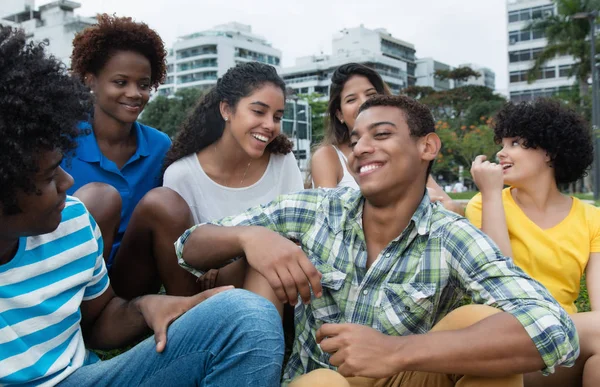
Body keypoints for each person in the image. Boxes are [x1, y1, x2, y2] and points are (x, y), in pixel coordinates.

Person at [175, 94, 579, 386]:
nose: (361, 148)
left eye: (380, 134)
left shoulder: (451, 235)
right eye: (354, 140)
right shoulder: (316, 209)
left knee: (483, 325)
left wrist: (395, 352)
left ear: (427, 147)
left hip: (403, 375)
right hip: (317, 382)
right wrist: (250, 237)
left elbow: (554, 327)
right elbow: (189, 245)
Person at [0, 26, 284, 386]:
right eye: (48, 177)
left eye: (144, 84)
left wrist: (145, 306)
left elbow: (102, 320)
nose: (67, 183)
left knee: (248, 313)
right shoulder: (75, 175)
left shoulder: (72, 219)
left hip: (92, 333)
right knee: (99, 197)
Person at [109, 61, 304, 299]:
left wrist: (239, 257)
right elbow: (185, 263)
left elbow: (298, 236)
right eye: (258, 111)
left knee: (264, 259)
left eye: (277, 116)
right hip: (211, 297)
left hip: (280, 287)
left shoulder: (283, 161)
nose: (270, 125)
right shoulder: (182, 175)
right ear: (226, 110)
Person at [466, 99, 600, 387]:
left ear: (550, 152)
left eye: (515, 143)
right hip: (507, 343)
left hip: (566, 347)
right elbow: (500, 287)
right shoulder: (485, 204)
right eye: (501, 143)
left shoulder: (592, 219)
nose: (501, 152)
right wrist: (490, 194)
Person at [63, 14, 171, 270]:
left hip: (131, 274)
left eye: (143, 84)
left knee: (168, 202)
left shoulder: (160, 147)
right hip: (72, 273)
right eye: (120, 82)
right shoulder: (61, 142)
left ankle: (191, 306)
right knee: (98, 199)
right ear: (91, 81)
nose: (134, 94)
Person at [310, 63, 390, 189]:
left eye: (371, 94)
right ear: (339, 114)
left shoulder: (402, 145)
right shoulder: (328, 156)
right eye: (351, 99)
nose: (364, 103)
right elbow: (327, 208)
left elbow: (431, 194)